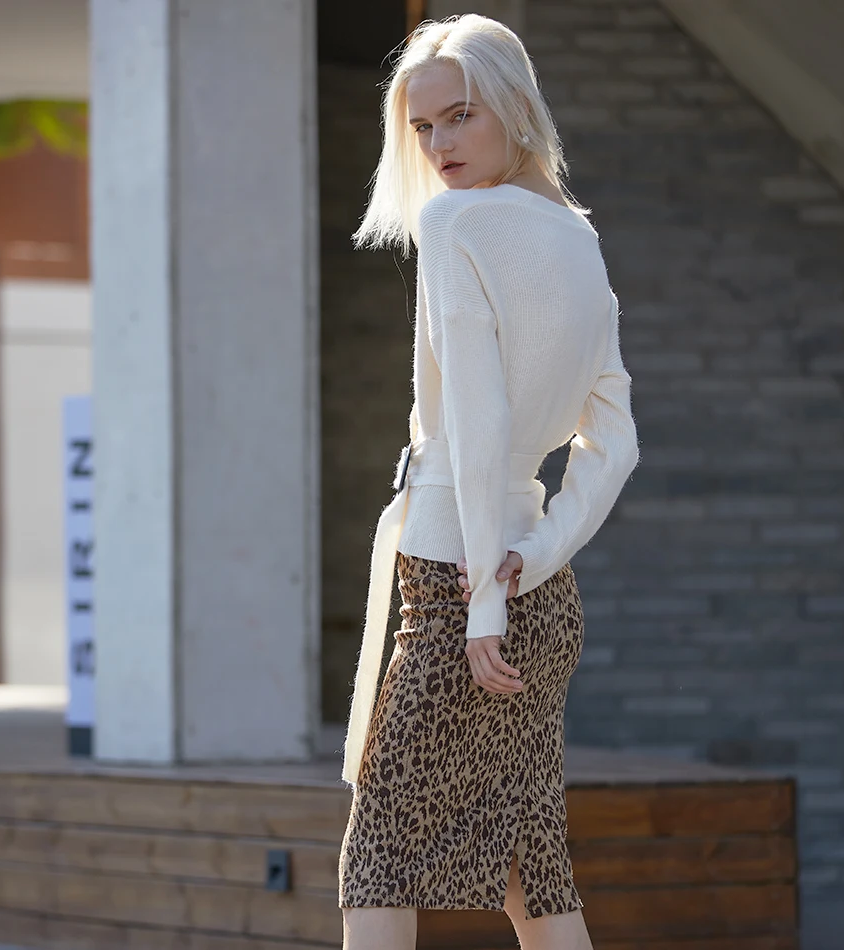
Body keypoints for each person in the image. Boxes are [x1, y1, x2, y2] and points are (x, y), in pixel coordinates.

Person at [337, 13, 640, 950]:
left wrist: (480, 609)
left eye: (460, 116)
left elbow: (477, 427)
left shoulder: (454, 222)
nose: (439, 146)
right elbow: (614, 441)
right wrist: (534, 556)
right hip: (534, 588)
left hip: (458, 585)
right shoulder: (578, 239)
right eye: (424, 127)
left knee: (379, 859)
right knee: (531, 870)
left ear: (514, 106)